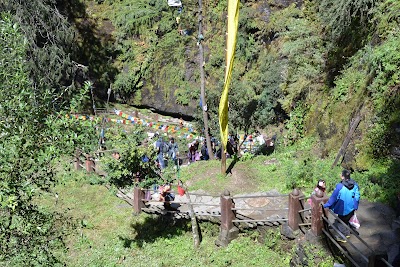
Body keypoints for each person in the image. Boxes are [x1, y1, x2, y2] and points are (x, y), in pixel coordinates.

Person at [323, 169, 360, 243]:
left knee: (341, 222)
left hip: (343, 208)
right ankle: (347, 233)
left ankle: (342, 237)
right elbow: (357, 196)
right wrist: (355, 206)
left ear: (343, 177)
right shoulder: (355, 184)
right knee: (347, 220)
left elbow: (334, 197)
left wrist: (326, 205)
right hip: (351, 207)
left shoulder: (340, 186)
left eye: (341, 174)